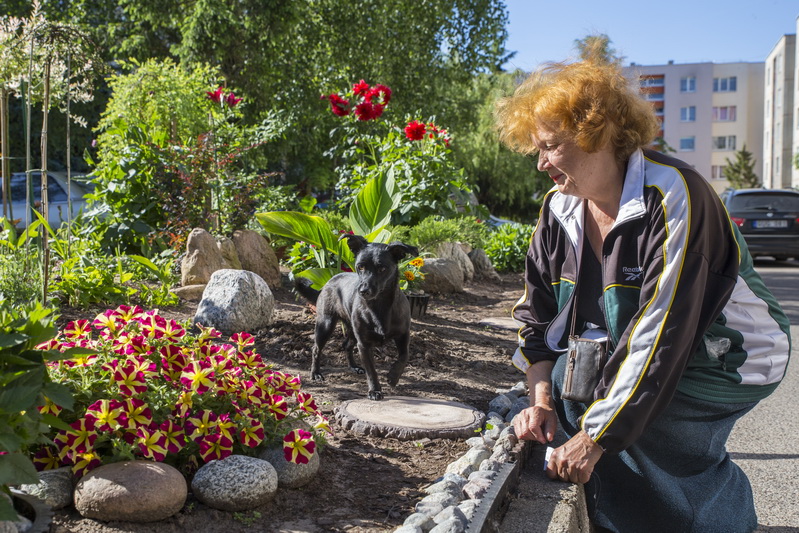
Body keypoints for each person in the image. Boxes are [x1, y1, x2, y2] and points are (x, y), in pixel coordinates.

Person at [495, 53, 791, 533]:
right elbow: (538, 319)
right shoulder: (560, 209)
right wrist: (542, 401)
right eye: (537, 149)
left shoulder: (676, 195)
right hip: (655, 349)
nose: (541, 163)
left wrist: (593, 437)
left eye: (550, 146)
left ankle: (720, 519)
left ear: (599, 134)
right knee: (580, 387)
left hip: (734, 354)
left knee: (639, 427)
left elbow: (663, 335)